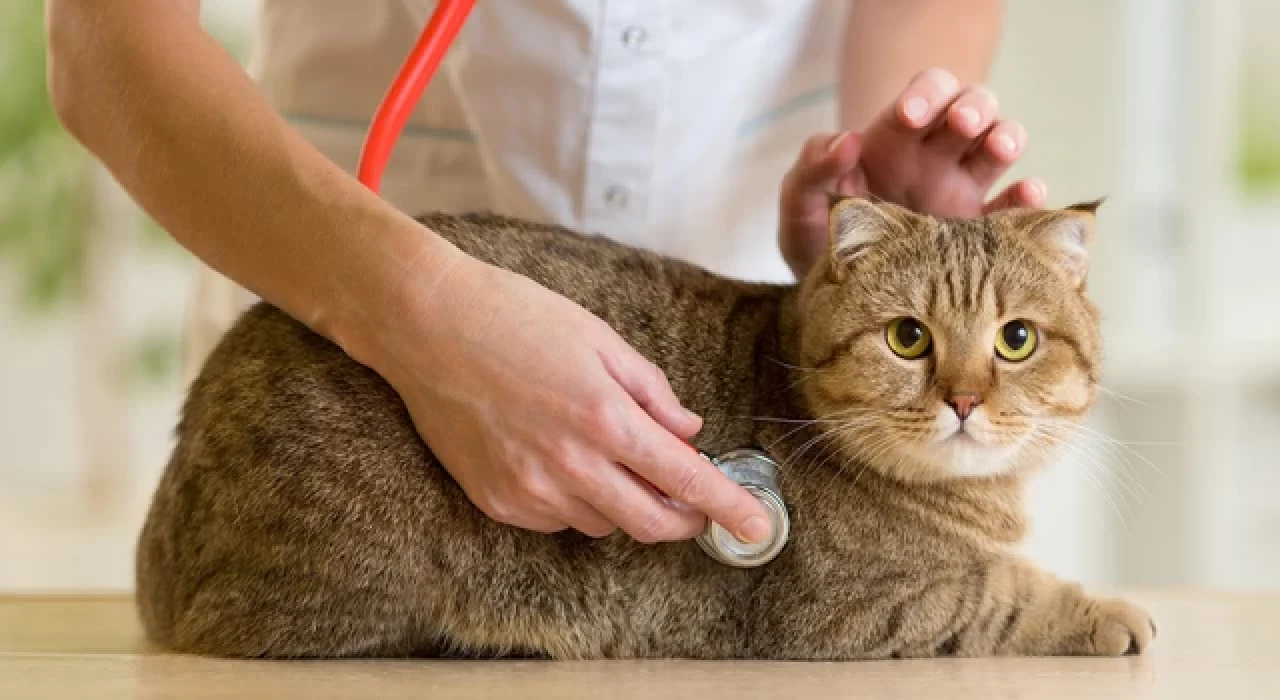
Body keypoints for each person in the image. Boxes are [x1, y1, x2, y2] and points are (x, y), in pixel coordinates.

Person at [46, 0, 1045, 547]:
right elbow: (104, 40)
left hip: (760, 383)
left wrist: (872, 237)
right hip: (353, 360)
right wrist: (416, 315)